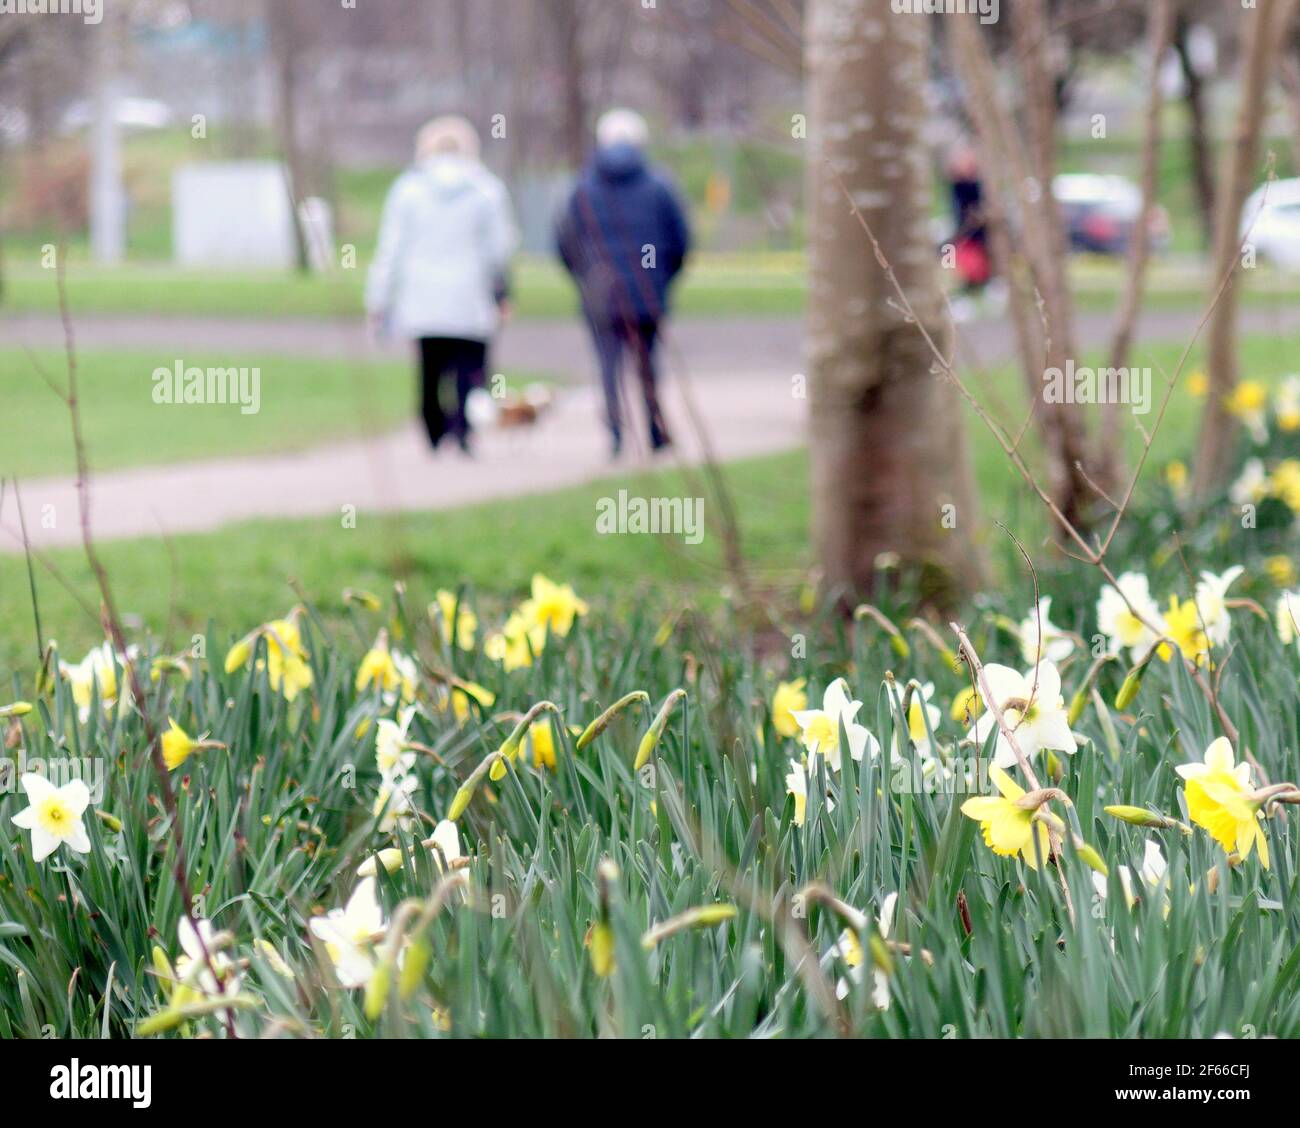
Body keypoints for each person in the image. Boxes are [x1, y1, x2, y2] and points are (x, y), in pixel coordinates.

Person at [366, 115, 517, 454]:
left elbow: (391, 250)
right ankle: (464, 431)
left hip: (423, 297)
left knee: (430, 367)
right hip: (471, 294)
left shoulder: (408, 190)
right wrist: (503, 292)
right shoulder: (486, 189)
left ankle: (433, 429)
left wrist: (378, 300)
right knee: (470, 369)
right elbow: (501, 248)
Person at [556, 109, 691, 458]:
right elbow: (680, 241)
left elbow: (565, 242)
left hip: (602, 292)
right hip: (647, 293)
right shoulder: (659, 185)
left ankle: (616, 433)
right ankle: (654, 430)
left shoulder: (582, 188)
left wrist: (587, 277)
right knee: (648, 365)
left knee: (607, 365)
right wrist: (661, 277)